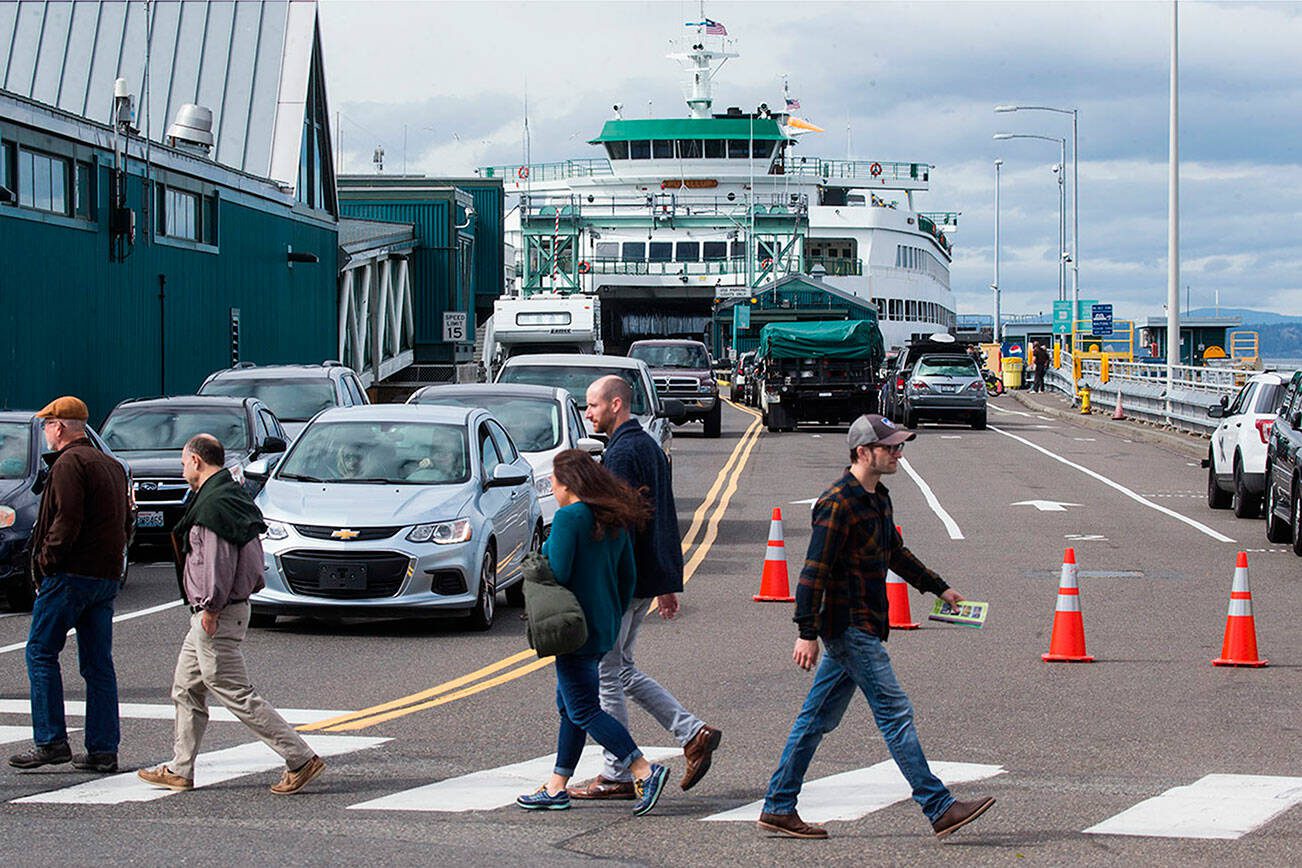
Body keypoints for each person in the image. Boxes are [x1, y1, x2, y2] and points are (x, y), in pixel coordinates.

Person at [757, 415, 995, 840]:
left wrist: (939, 588)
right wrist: (806, 631)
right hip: (849, 626)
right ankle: (939, 807)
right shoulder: (836, 503)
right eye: (890, 448)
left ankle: (778, 804)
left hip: (865, 622)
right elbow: (814, 572)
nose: (898, 454)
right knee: (895, 713)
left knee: (815, 719)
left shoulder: (878, 498)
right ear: (863, 452)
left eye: (899, 447)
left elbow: (895, 554)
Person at [136, 434, 324, 795]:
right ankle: (180, 768)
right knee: (186, 687)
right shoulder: (233, 495)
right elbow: (251, 559)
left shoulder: (213, 506)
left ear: (196, 460)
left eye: (183, 462)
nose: (182, 468)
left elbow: (215, 564)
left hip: (215, 611)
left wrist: (210, 606)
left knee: (235, 692)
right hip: (219, 609)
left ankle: (299, 757)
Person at [567, 375, 722, 801]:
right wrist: (667, 580)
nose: (588, 413)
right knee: (621, 669)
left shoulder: (623, 453)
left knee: (606, 674)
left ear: (616, 404)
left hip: (623, 580)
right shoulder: (648, 446)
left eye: (593, 405)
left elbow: (618, 526)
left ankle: (618, 771)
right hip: (643, 577)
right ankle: (692, 733)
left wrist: (602, 580)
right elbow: (662, 518)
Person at [515, 449, 670, 816]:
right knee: (569, 707)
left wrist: (543, 555)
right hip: (602, 624)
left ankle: (643, 770)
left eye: (552, 481)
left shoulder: (569, 518)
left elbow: (561, 571)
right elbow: (627, 576)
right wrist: (612, 614)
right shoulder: (612, 518)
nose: (551, 487)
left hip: (572, 626)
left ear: (567, 484)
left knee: (583, 708)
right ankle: (557, 787)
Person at [10, 396, 130, 773]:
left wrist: (47, 561)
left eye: (47, 424)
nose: (46, 431)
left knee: (41, 652)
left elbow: (66, 520)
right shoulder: (110, 465)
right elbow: (127, 519)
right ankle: (102, 748)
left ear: (59, 426)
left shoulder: (68, 464)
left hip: (70, 575)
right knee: (97, 665)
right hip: (105, 576)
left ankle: (51, 741)